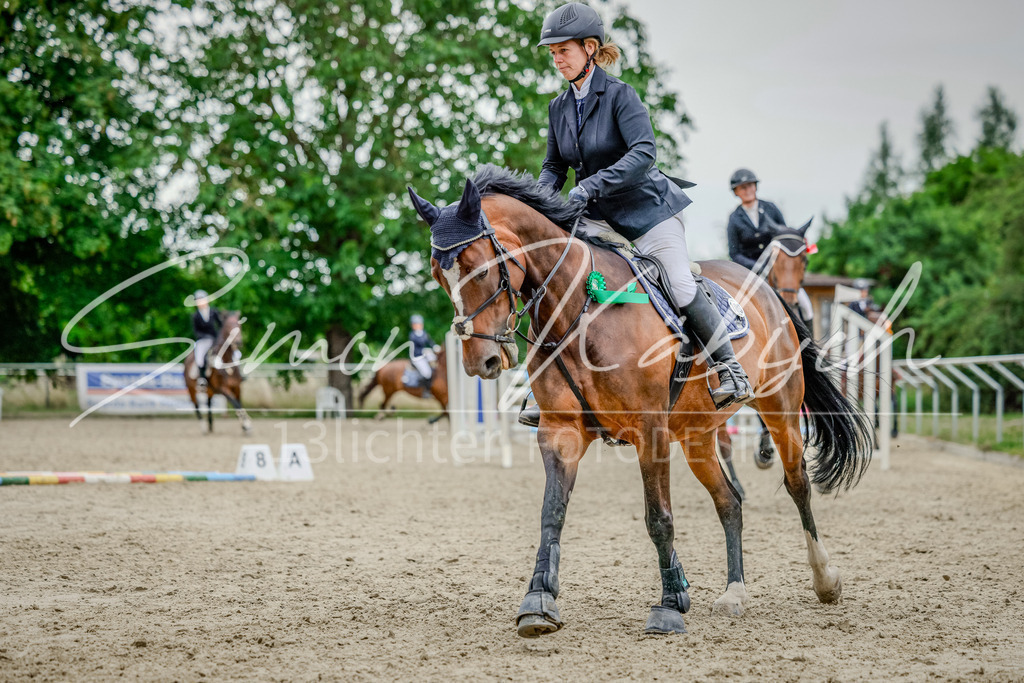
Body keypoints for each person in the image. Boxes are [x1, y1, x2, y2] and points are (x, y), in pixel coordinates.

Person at [519, 2, 753, 428]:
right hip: (594, 215)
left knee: (680, 281)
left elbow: (644, 153)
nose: (556, 58)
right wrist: (540, 203)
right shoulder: (558, 108)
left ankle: (729, 367)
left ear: (590, 48)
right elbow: (554, 167)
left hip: (647, 211)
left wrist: (589, 185)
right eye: (551, 52)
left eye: (563, 49)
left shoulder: (621, 95)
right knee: (549, 269)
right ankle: (540, 382)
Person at [727, 168, 814, 326]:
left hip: (778, 270)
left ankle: (811, 348)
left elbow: (786, 239)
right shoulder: (734, 219)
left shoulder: (771, 209)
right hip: (750, 272)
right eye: (743, 187)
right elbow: (734, 253)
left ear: (756, 187)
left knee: (806, 306)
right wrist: (757, 266)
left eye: (751, 185)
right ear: (736, 192)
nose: (748, 190)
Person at [191, 290, 222, 385]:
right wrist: (205, 336)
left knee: (233, 352)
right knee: (199, 357)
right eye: (198, 301)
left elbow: (221, 325)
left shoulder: (214, 312)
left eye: (202, 300)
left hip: (215, 339)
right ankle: (202, 378)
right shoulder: (195, 316)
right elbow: (196, 331)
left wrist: (219, 337)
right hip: (203, 340)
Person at [409, 314, 439, 397]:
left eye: (419, 324)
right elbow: (419, 343)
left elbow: (429, 341)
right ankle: (426, 391)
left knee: (435, 363)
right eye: (416, 324)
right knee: (427, 373)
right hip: (417, 357)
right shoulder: (413, 335)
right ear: (413, 325)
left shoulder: (424, 333)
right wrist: (424, 351)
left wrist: (434, 346)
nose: (418, 326)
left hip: (424, 355)